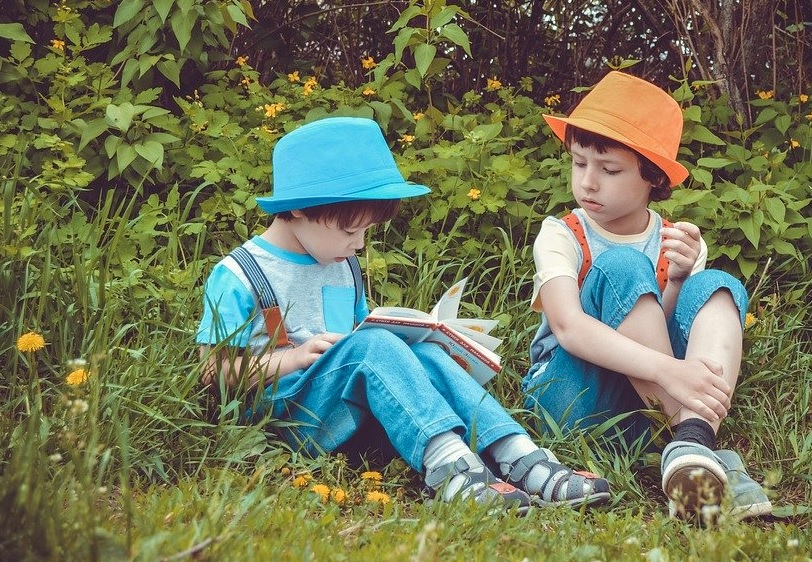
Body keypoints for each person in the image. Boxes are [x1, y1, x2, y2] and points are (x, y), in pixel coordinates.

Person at [196, 117, 611, 512]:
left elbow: (363, 339)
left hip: (351, 416)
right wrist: (291, 358)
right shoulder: (241, 275)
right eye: (349, 231)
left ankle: (521, 456)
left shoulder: (342, 264)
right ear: (301, 209)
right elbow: (212, 372)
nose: (358, 244)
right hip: (287, 420)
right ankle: (451, 470)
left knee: (426, 354)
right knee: (372, 346)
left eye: (365, 232)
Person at [521, 71, 772, 521]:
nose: (588, 183)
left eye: (609, 169)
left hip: (645, 411)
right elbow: (568, 328)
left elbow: (662, 329)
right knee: (622, 267)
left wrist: (676, 281)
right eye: (579, 163)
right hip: (574, 397)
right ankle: (701, 448)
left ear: (653, 177)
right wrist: (672, 372)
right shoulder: (561, 234)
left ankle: (690, 444)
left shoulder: (674, 240)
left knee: (718, 284)